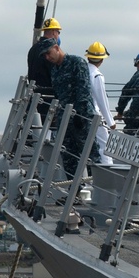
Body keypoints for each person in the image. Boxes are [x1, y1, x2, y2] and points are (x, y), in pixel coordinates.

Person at [42, 38, 100, 178]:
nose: (47, 57)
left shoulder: (77, 63)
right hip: (64, 118)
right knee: (68, 155)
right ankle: (75, 191)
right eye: (45, 55)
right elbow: (58, 94)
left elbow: (84, 90)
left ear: (56, 48)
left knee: (90, 153)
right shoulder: (55, 70)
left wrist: (80, 115)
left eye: (48, 53)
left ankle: (97, 188)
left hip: (81, 117)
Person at [85, 42, 115, 165]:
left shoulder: (83, 71)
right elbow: (102, 101)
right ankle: (108, 173)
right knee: (105, 146)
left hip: (82, 114)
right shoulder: (97, 76)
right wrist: (110, 122)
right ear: (101, 60)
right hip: (95, 116)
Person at [26, 17, 62, 117]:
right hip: (48, 100)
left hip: (34, 98)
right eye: (58, 32)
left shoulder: (33, 49)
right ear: (54, 32)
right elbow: (54, 75)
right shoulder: (50, 50)